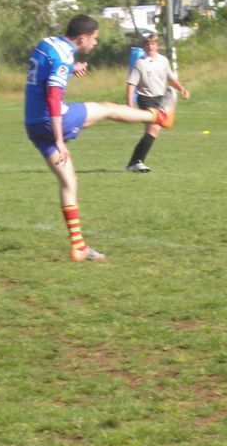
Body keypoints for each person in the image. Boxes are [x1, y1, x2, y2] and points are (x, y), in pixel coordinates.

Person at [24, 15, 176, 262]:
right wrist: (60, 139)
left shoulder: (48, 43)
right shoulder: (64, 56)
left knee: (69, 180)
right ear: (82, 38)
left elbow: (42, 73)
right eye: (94, 38)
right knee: (106, 108)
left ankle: (78, 246)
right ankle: (156, 115)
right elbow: (53, 97)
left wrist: (70, 69)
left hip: (32, 125)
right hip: (51, 121)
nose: (95, 43)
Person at [124, 34, 190, 172]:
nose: (150, 47)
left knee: (154, 129)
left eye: (152, 44)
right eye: (147, 44)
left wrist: (182, 89)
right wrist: (130, 105)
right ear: (144, 47)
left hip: (161, 98)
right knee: (154, 129)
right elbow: (131, 85)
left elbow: (171, 79)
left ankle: (133, 163)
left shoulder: (163, 61)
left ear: (157, 45)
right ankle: (136, 163)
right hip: (146, 98)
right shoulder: (140, 63)